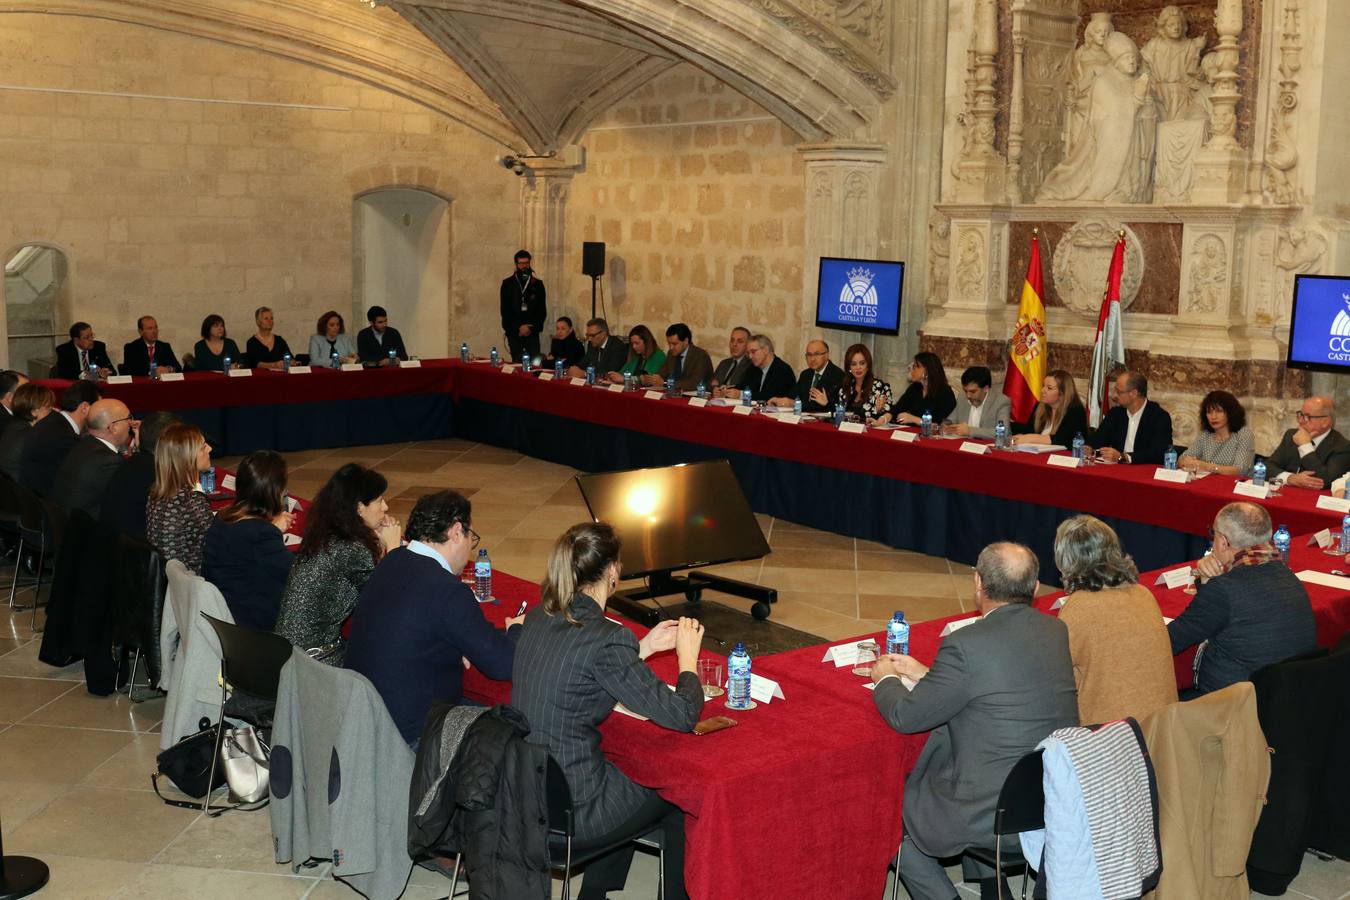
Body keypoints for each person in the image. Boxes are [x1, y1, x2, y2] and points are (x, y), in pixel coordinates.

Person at [871, 542, 1078, 900]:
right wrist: (929, 675)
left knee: (883, 815)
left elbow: (906, 716)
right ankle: (995, 890)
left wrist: (885, 680)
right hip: (1047, 798)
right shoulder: (1054, 632)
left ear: (978, 583)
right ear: (1034, 587)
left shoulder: (966, 644)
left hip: (987, 812)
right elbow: (1001, 685)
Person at [512, 522, 705, 900]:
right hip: (573, 811)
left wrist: (643, 647)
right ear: (614, 571)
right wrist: (688, 660)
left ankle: (596, 893)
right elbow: (682, 715)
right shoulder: (607, 638)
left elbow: (579, 667)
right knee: (678, 794)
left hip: (525, 796)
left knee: (624, 770)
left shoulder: (540, 615)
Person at [345, 490, 523, 746]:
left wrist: (454, 643)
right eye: (471, 537)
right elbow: (503, 664)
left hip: (364, 720)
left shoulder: (391, 560)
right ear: (456, 531)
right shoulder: (447, 590)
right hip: (412, 735)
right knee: (511, 729)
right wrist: (516, 629)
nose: (470, 548)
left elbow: (417, 624)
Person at [1169, 502, 1317, 696]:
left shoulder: (1225, 589)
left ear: (1223, 542)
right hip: (1285, 701)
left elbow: (1170, 641)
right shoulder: (1287, 576)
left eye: (1213, 534)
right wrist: (1206, 581)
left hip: (1231, 707)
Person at [1053, 515, 1178, 724]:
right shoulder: (1143, 593)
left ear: (1068, 560)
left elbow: (1059, 681)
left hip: (1112, 738)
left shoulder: (1078, 608)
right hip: (1162, 727)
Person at [274, 463, 402, 665]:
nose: (386, 507)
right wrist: (394, 551)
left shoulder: (326, 534)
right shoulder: (352, 548)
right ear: (360, 508)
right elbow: (388, 600)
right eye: (380, 500)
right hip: (313, 660)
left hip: (289, 650)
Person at [201, 450, 295, 630]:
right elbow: (296, 574)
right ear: (274, 491)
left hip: (222, 619)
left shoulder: (223, 517)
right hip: (250, 632)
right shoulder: (260, 534)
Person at [146, 422, 214, 574]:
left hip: (167, 579)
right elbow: (216, 544)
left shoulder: (156, 493)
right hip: (193, 583)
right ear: (187, 457)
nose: (210, 449)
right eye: (203, 447)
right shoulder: (190, 500)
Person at [52, 398, 135, 519]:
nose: (132, 423)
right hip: (86, 532)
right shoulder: (108, 462)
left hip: (65, 523)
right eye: (129, 418)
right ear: (113, 427)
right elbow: (127, 501)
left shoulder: (83, 445)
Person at [100, 411, 177, 539]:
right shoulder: (159, 472)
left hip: (115, 543)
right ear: (169, 443)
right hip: (136, 550)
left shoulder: (132, 462)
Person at [20, 380, 99, 496]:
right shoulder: (65, 438)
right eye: (98, 408)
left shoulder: (53, 421)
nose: (101, 414)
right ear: (85, 407)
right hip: (47, 505)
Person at [1087, 370, 1174, 464]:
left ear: (1133, 394)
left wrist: (1124, 457)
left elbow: (1159, 453)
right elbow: (1097, 440)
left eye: (1118, 392)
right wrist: (1088, 448)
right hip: (1115, 470)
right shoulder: (1115, 414)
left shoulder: (1159, 417)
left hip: (1143, 472)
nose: (1114, 396)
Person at [1263, 395, 1350, 489]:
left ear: (1325, 422)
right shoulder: (1291, 435)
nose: (1300, 421)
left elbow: (1325, 482)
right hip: (1286, 495)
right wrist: (1290, 478)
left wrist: (1305, 446)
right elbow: (1267, 467)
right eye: (1301, 414)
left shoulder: (1342, 447)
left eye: (1307, 417)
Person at [1179, 390, 1255, 477]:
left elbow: (1240, 470)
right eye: (1209, 412)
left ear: (1230, 413)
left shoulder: (1243, 434)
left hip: (1235, 486)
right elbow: (1181, 459)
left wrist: (1206, 466)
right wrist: (1187, 462)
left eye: (1219, 411)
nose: (1213, 416)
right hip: (1209, 484)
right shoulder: (1205, 435)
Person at [1010, 369, 1088, 448]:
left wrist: (1029, 438)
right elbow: (1028, 431)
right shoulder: (1039, 407)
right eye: (1043, 386)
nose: (1042, 390)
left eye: (1049, 388)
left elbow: (1062, 440)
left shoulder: (1075, 411)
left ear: (1062, 393)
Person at [769, 339, 844, 413]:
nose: (812, 359)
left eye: (817, 354)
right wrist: (780, 401)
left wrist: (794, 403)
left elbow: (822, 407)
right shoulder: (806, 374)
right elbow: (793, 396)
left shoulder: (837, 375)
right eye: (809, 355)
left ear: (827, 355)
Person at [500, 249, 546, 363]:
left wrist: (530, 328)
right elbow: (505, 310)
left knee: (535, 363)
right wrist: (518, 328)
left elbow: (542, 310)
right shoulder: (507, 284)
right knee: (517, 363)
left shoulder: (538, 284)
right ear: (516, 264)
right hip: (515, 333)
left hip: (532, 332)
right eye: (521, 264)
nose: (524, 266)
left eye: (527, 263)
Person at [0, 383, 54, 482]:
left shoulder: (13, 426)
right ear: (34, 411)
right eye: (48, 408)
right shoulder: (31, 436)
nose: (53, 411)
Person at [718, 334, 794, 403]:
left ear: (766, 350)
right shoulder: (754, 368)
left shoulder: (783, 370)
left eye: (753, 352)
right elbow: (742, 386)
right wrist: (727, 390)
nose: (750, 357)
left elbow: (770, 397)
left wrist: (741, 395)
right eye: (748, 353)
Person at [945, 366, 1014, 439]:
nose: (968, 395)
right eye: (965, 391)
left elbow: (1003, 432)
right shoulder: (962, 397)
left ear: (986, 389)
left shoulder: (1001, 402)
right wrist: (945, 425)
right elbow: (950, 420)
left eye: (973, 391)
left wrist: (970, 431)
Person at [891, 352, 957, 425]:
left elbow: (938, 423)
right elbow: (898, 408)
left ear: (928, 370)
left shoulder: (945, 393)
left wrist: (913, 419)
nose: (912, 369)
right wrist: (885, 417)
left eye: (916, 366)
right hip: (911, 432)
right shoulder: (915, 388)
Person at [834, 343, 892, 424]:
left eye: (862, 363)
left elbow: (889, 413)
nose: (858, 367)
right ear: (849, 367)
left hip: (870, 432)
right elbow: (838, 414)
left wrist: (881, 413)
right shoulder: (845, 387)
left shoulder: (880, 387)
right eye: (854, 364)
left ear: (868, 365)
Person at [648, 323, 713, 392]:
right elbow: (663, 372)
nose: (671, 347)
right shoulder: (671, 353)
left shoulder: (700, 356)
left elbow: (695, 383)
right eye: (669, 343)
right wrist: (654, 378)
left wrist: (667, 383)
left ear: (686, 341)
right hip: (673, 395)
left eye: (675, 344)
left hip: (695, 397)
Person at [245, 306, 293, 371]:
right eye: (266, 318)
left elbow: (290, 358)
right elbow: (255, 364)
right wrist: (275, 365)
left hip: (281, 377)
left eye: (271, 318)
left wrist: (291, 362)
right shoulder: (252, 342)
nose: (270, 321)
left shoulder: (279, 340)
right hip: (261, 378)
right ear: (258, 322)